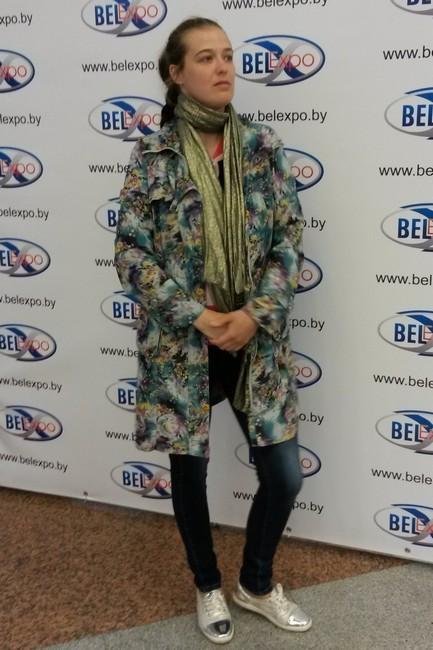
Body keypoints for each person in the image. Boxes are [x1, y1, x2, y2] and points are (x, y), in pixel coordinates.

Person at [114, 16, 311, 645]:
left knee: (284, 475)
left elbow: (288, 239)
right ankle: (207, 584)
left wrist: (251, 315)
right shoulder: (154, 156)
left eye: (227, 55)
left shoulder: (262, 146)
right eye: (205, 57)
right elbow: (131, 254)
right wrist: (197, 315)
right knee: (189, 474)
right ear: (176, 73)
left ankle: (255, 582)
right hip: (184, 345)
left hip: (255, 339)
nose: (223, 67)